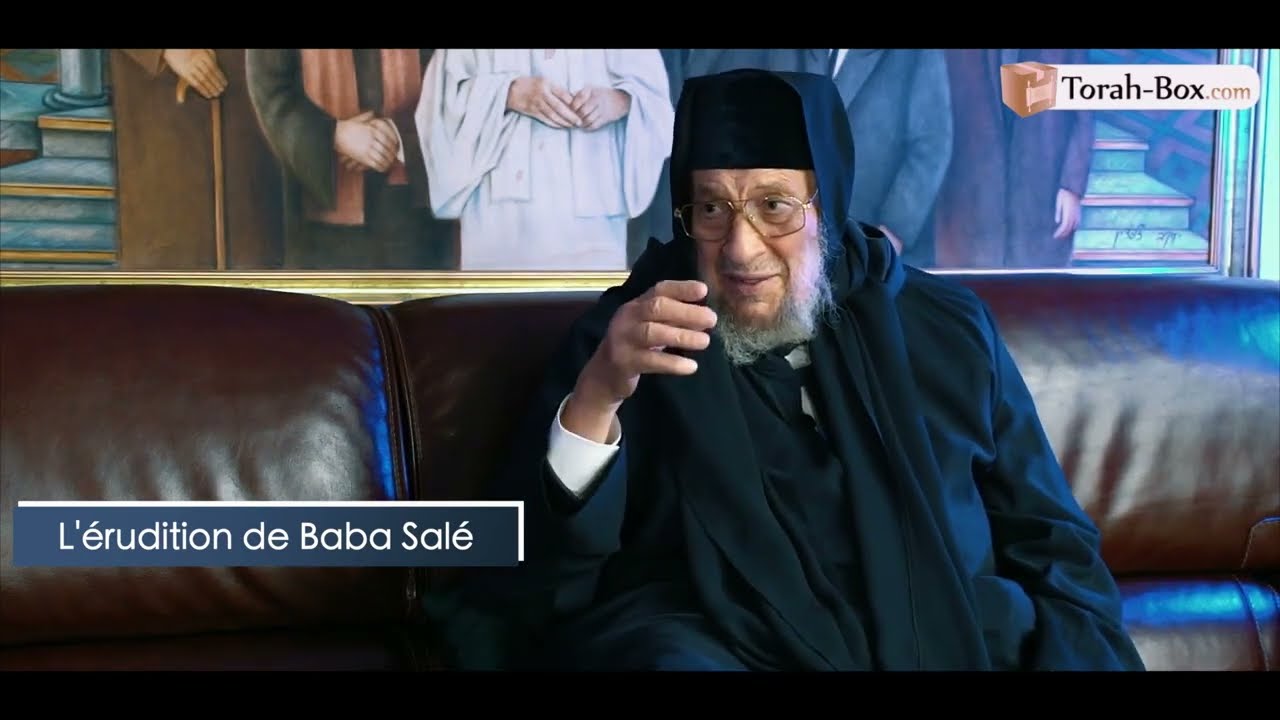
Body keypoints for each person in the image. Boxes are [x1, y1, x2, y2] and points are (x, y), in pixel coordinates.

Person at [463, 68, 1146, 672]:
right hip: (714, 640)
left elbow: (1050, 540)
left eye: (774, 206)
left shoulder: (948, 330)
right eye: (711, 208)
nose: (740, 247)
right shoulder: (629, 331)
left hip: (943, 629)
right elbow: (526, 569)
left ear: (830, 206)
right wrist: (596, 397)